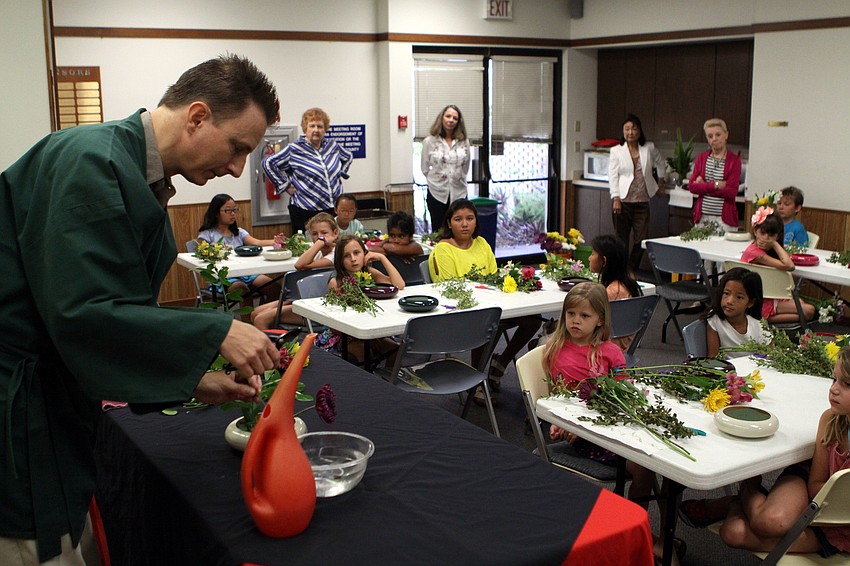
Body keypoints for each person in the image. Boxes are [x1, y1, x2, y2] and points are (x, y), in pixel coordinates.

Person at [0, 55, 281, 564]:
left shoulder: (135, 172)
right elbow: (83, 314)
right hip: (21, 413)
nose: (238, 169)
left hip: (58, 398)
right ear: (197, 116)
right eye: (238, 148)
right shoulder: (90, 160)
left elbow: (118, 309)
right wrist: (217, 330)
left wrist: (193, 381)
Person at [683, 347, 850, 558]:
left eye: (846, 384)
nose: (834, 389)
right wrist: (803, 514)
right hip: (816, 495)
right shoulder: (831, 419)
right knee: (771, 522)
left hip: (839, 528)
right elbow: (816, 482)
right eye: (834, 380)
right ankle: (749, 493)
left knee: (732, 533)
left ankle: (738, 501)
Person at [542, 282, 656, 503]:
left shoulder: (611, 352)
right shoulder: (554, 348)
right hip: (586, 433)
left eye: (585, 316)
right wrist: (564, 423)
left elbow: (624, 392)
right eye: (571, 313)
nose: (575, 320)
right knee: (643, 466)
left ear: (600, 320)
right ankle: (630, 523)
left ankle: (646, 529)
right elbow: (556, 397)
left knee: (661, 460)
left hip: (613, 424)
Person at [428, 198, 540, 400]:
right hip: (461, 310)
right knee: (490, 322)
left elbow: (494, 277)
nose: (464, 224)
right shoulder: (443, 249)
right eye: (458, 219)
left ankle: (501, 363)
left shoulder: (481, 243)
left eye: (469, 218)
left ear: (475, 222)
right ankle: (475, 378)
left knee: (533, 318)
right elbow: (448, 287)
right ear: (448, 223)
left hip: (491, 303)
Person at [263, 107, 352, 233]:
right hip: (305, 210)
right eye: (312, 126)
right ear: (305, 128)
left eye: (320, 126)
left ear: (325, 129)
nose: (316, 130)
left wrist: (340, 174)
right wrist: (285, 185)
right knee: (308, 248)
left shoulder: (332, 146)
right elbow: (268, 163)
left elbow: (348, 157)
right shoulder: (294, 149)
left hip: (331, 209)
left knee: (332, 245)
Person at [250, 212, 338, 330]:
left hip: (318, 305)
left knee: (261, 319)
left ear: (335, 233)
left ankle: (271, 348)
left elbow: (299, 265)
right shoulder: (317, 252)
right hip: (303, 298)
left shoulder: (335, 254)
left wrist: (319, 243)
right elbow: (303, 262)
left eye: (324, 233)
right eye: (315, 234)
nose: (319, 237)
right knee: (255, 312)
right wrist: (318, 245)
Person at [324, 234, 405, 362]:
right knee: (364, 352)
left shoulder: (370, 273)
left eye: (357, 253)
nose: (353, 259)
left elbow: (399, 285)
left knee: (395, 349)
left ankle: (388, 380)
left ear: (365, 254)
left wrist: (382, 258)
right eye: (346, 256)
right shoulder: (336, 283)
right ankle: (365, 380)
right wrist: (363, 336)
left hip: (370, 331)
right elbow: (334, 325)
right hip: (344, 334)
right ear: (340, 260)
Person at [607, 114, 667, 273]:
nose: (630, 132)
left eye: (634, 128)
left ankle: (630, 269)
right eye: (627, 129)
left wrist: (661, 183)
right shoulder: (616, 151)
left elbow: (662, 164)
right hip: (623, 201)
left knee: (641, 239)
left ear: (640, 131)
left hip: (642, 201)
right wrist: (616, 198)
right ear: (623, 131)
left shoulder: (649, 148)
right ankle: (620, 270)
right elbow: (613, 176)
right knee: (621, 240)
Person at [197, 193, 278, 300]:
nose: (232, 214)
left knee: (273, 287)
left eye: (234, 210)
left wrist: (275, 241)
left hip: (245, 273)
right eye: (228, 210)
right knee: (242, 289)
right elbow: (202, 256)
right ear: (216, 213)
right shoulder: (207, 235)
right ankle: (247, 317)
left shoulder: (239, 232)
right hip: (223, 277)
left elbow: (257, 243)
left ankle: (264, 314)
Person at [742, 208, 816, 324]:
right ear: (755, 231)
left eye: (771, 235)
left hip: (770, 296)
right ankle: (764, 318)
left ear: (778, 235)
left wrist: (774, 244)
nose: (766, 238)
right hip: (759, 301)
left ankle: (766, 318)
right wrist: (775, 243)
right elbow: (789, 265)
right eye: (763, 233)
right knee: (809, 311)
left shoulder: (763, 250)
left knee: (801, 304)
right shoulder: (755, 253)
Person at [588, 234, 642, 352]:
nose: (589, 258)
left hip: (602, 350)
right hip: (624, 349)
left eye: (592, 254)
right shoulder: (628, 284)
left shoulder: (610, 293)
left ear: (604, 261)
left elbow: (589, 325)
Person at [421, 105, 470, 232]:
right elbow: (425, 168)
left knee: (460, 229)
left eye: (455, 118)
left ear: (458, 122)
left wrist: (457, 177)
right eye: (448, 116)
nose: (451, 120)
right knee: (439, 230)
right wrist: (437, 179)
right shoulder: (429, 141)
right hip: (437, 192)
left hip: (459, 191)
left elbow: (466, 166)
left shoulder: (464, 141)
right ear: (442, 118)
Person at [689, 118, 742, 234]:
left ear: (726, 135)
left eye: (718, 134)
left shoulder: (734, 161)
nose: (714, 139)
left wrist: (704, 186)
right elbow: (692, 187)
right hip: (702, 217)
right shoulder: (702, 158)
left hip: (724, 220)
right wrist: (716, 185)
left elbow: (731, 192)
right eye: (710, 136)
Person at [703, 267, 766, 358]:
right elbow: (713, 358)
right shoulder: (715, 320)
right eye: (726, 293)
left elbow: (770, 356)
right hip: (729, 371)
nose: (729, 301)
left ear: (750, 302)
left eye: (739, 297)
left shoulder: (758, 325)